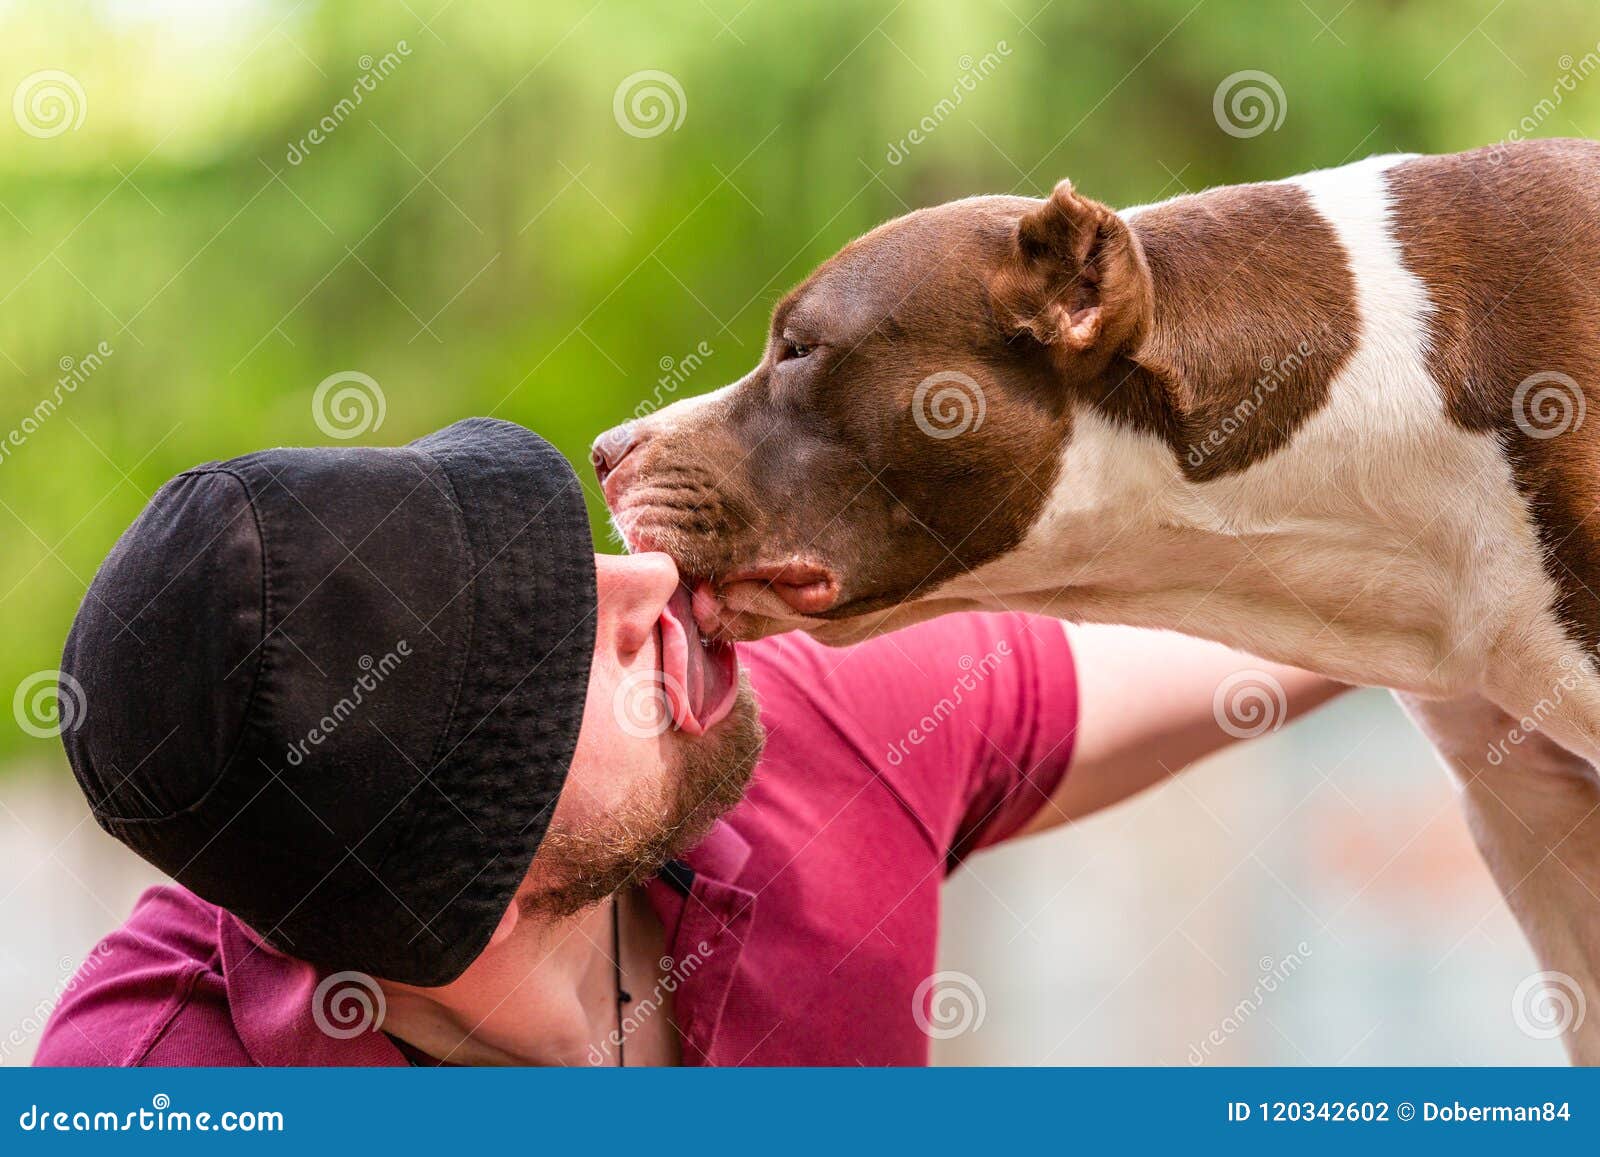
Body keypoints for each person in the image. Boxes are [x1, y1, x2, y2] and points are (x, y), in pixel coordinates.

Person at [34, 417, 1341, 1066]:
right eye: (557, 656)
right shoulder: (154, 1078)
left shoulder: (811, 726)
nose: (651, 586)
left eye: (567, 557)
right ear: (455, 894)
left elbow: (1304, 629)